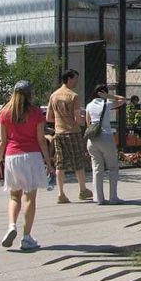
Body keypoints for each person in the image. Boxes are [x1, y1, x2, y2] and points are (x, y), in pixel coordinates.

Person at [0, 80, 53, 250]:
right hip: (32, 156)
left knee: (14, 196)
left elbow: (2, 141)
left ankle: (12, 225)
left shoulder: (4, 112)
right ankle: (26, 237)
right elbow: (41, 140)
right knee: (29, 197)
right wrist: (48, 163)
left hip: (12, 156)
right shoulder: (35, 113)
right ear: (30, 94)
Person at [47, 69, 91, 204]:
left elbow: (49, 117)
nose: (76, 81)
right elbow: (77, 119)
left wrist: (61, 120)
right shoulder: (73, 96)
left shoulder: (53, 96)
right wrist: (84, 120)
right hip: (72, 132)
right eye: (75, 78)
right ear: (70, 79)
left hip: (58, 132)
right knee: (78, 161)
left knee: (60, 163)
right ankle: (83, 190)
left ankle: (61, 193)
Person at [85, 84, 125, 204]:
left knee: (97, 168)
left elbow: (88, 123)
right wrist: (109, 96)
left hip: (92, 139)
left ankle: (98, 198)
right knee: (113, 167)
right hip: (106, 137)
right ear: (104, 93)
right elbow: (122, 100)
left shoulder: (89, 105)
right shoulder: (107, 104)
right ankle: (113, 197)